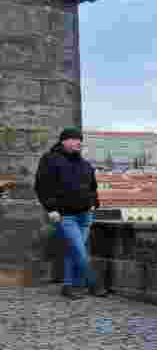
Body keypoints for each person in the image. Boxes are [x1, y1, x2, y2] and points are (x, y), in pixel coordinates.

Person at [34, 127, 107, 299]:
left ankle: (68, 286)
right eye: (74, 139)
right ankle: (94, 283)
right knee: (79, 250)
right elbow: (41, 186)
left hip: (85, 215)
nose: (78, 142)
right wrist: (51, 209)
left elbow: (92, 187)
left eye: (80, 140)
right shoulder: (50, 160)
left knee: (72, 250)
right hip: (66, 215)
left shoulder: (84, 164)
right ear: (63, 141)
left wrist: (94, 203)